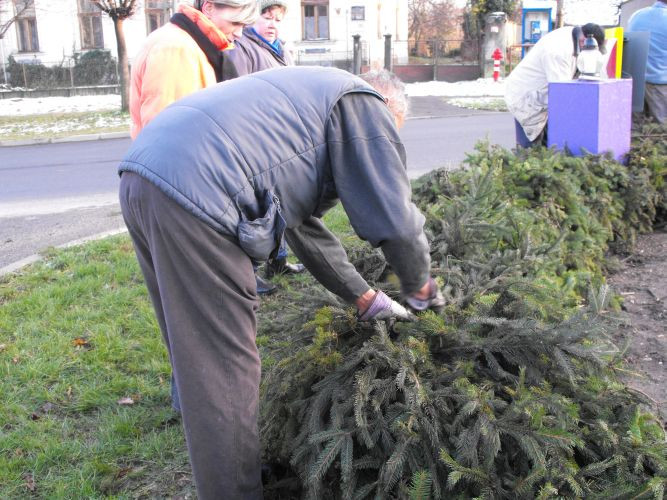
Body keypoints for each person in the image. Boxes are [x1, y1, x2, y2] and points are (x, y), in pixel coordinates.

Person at [118, 66, 444, 498]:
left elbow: (301, 227)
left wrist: (364, 297)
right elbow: (397, 222)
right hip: (201, 187)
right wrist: (422, 289)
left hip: (145, 171)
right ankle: (233, 488)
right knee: (226, 367)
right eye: (392, 131)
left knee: (190, 334)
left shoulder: (313, 98)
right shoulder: (363, 104)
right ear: (388, 108)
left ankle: (205, 431)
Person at [224, 0, 305, 283]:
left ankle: (278, 260)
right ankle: (250, 272)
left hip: (277, 138)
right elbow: (236, 97)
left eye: (278, 19)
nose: (272, 24)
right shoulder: (241, 48)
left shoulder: (281, 49)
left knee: (276, 201)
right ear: (251, 18)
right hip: (253, 141)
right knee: (252, 207)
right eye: (266, 16)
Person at [128, 0, 258, 139]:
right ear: (208, 8)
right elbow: (169, 134)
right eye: (236, 23)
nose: (239, 33)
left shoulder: (189, 43)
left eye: (244, 25)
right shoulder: (177, 47)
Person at [505, 23, 606, 147]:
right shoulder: (558, 51)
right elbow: (561, 94)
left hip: (542, 97)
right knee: (531, 151)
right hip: (527, 99)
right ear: (584, 41)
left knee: (548, 144)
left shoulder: (575, 35)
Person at [628, 0, 667, 124]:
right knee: (660, 132)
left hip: (633, 81)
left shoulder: (637, 15)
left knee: (634, 131)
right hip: (658, 83)